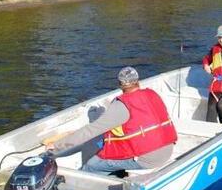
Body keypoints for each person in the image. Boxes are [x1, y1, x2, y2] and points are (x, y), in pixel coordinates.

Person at [45, 67, 177, 174]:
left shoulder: (122, 105)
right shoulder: (152, 94)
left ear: (120, 84)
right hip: (167, 148)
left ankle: (91, 188)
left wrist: (57, 145)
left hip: (147, 159)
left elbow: (91, 130)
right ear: (137, 81)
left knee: (92, 165)